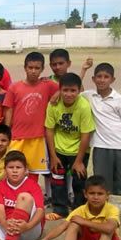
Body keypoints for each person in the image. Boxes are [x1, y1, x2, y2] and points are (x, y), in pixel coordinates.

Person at [81, 62, 121, 238]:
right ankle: (103, 219)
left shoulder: (120, 100)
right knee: (102, 187)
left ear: (112, 79)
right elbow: (75, 87)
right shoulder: (89, 96)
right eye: (99, 76)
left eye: (106, 77)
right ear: (94, 79)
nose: (102, 80)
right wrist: (83, 70)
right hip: (100, 148)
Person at [36, 175, 121, 240]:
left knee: (106, 229)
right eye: (92, 193)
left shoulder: (112, 209)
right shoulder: (80, 210)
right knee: (74, 223)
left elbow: (109, 228)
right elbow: (62, 226)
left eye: (100, 194)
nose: (96, 197)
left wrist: (85, 222)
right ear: (85, 194)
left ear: (107, 195)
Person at [4, 52, 58, 193]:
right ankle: (13, 196)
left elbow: (68, 90)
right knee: (13, 170)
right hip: (17, 137)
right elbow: (8, 109)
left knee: (33, 173)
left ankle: (29, 197)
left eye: (37, 68)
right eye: (30, 67)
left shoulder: (48, 85)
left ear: (42, 69)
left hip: (37, 138)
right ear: (25, 68)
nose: (33, 71)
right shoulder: (14, 87)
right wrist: (7, 131)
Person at [45, 73, 95, 220]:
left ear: (79, 91)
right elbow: (49, 130)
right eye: (65, 90)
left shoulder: (84, 106)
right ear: (59, 90)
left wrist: (79, 161)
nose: (68, 94)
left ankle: (78, 209)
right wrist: (53, 156)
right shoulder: (53, 104)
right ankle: (60, 209)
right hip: (59, 149)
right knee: (57, 179)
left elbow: (86, 134)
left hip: (78, 151)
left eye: (73, 91)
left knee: (79, 181)